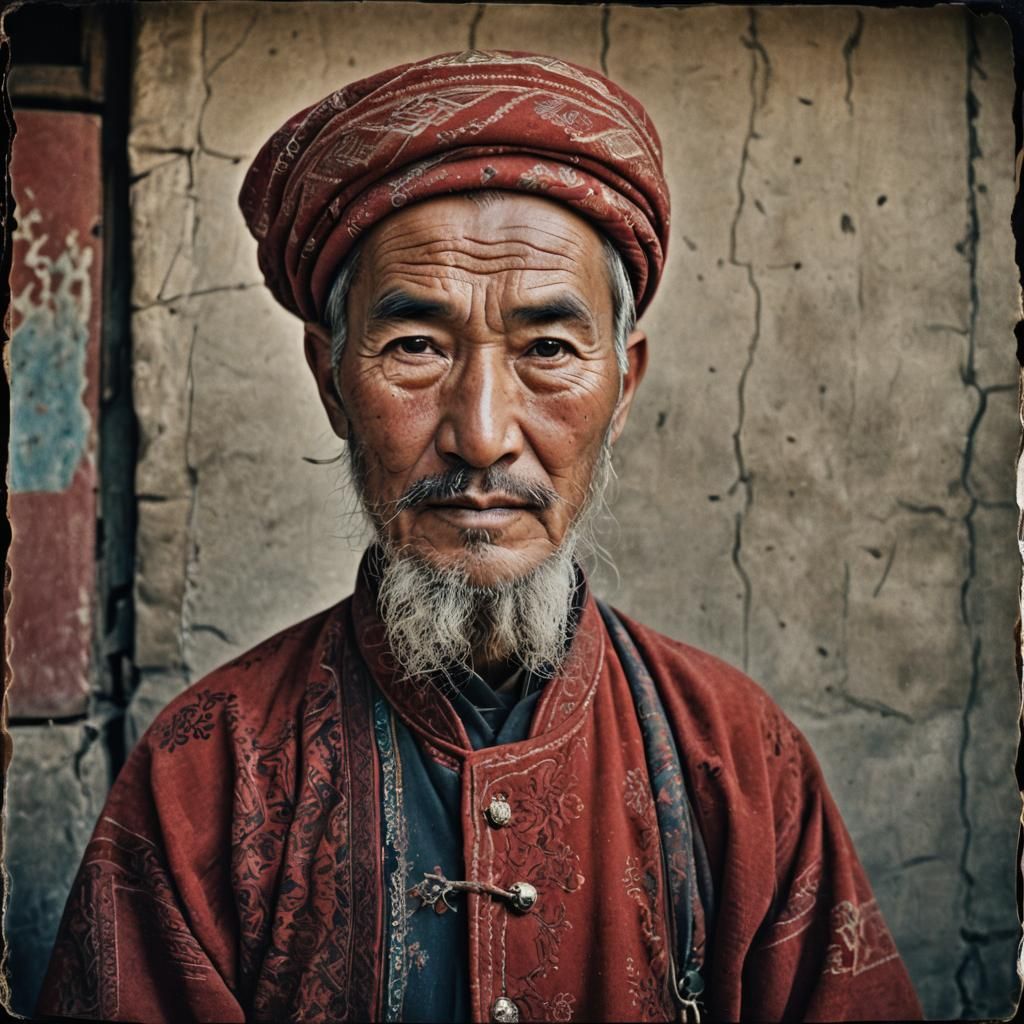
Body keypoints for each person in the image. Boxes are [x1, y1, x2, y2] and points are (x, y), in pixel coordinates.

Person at [37, 50, 922, 1023]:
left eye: (546, 348)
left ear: (621, 384)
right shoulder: (204, 779)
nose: (483, 432)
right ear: (331, 378)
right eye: (416, 345)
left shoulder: (741, 764)